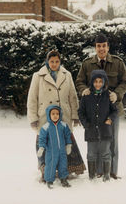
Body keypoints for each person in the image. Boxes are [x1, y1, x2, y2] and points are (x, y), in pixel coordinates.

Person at [76, 34, 126, 179]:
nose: (101, 49)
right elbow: (79, 81)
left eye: (104, 46)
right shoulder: (87, 64)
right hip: (93, 110)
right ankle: (99, 171)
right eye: (99, 46)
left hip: (112, 109)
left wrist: (117, 95)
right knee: (96, 140)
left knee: (111, 140)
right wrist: (84, 90)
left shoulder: (118, 63)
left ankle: (112, 172)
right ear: (95, 48)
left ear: (108, 47)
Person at [27, 50, 85, 183]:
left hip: (63, 115)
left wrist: (75, 115)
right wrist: (33, 118)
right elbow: (32, 99)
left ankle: (68, 168)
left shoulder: (67, 75)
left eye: (57, 61)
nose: (54, 64)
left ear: (60, 62)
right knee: (45, 143)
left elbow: (73, 96)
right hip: (44, 116)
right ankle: (45, 170)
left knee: (65, 141)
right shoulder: (38, 76)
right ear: (47, 61)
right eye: (51, 61)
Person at [78, 70, 118, 181]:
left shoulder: (108, 95)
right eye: (95, 81)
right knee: (91, 153)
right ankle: (92, 176)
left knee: (105, 153)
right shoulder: (86, 96)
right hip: (91, 130)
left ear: (104, 82)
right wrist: (86, 124)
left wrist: (110, 119)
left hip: (105, 130)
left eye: (101, 81)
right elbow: (81, 112)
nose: (98, 84)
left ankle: (106, 176)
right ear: (92, 82)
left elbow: (115, 111)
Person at [37, 105, 72, 189]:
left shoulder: (63, 125)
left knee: (63, 164)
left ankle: (63, 178)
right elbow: (42, 138)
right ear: (49, 115)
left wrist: (68, 145)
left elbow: (67, 136)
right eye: (53, 114)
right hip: (51, 151)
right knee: (50, 165)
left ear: (60, 115)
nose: (55, 115)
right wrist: (41, 147)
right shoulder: (46, 127)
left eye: (57, 114)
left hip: (62, 150)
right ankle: (49, 180)